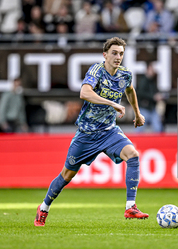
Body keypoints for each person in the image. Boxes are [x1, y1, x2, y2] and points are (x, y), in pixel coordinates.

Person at [34, 37, 149, 226]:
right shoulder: (97, 70)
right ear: (105, 55)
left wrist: (137, 113)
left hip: (109, 131)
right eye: (114, 53)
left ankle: (131, 207)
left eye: (121, 53)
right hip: (86, 134)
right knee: (66, 176)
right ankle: (44, 207)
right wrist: (113, 103)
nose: (118, 57)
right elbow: (84, 92)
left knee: (133, 155)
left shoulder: (125, 74)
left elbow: (130, 90)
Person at [136, 62, 163, 133]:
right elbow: (141, 93)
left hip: (152, 107)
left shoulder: (152, 81)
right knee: (139, 129)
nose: (153, 71)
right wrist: (153, 97)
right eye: (151, 69)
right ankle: (134, 143)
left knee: (158, 127)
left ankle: (160, 143)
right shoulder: (143, 80)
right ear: (147, 69)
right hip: (144, 107)